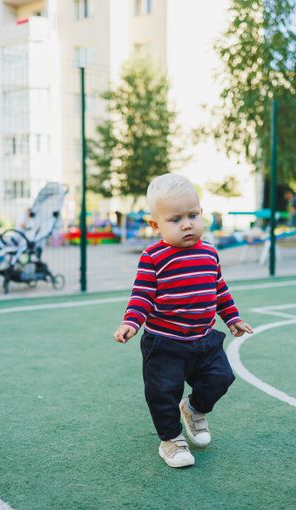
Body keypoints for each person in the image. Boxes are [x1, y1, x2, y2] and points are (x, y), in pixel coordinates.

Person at [113, 174, 254, 468]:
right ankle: (171, 440)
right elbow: (141, 295)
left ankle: (193, 408)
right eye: (176, 219)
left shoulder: (209, 252)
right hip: (165, 344)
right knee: (162, 393)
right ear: (156, 225)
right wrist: (131, 322)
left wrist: (232, 318)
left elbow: (219, 290)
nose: (187, 224)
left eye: (193, 215)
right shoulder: (153, 257)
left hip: (204, 339)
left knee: (221, 378)